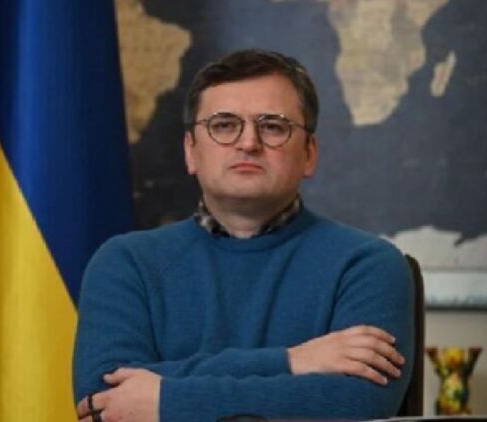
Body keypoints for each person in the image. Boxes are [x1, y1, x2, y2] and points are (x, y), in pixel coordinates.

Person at [73, 49, 414, 422]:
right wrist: (292, 361)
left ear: (309, 153)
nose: (248, 142)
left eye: (273, 126)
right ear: (191, 151)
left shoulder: (367, 264)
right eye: (223, 125)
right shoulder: (126, 263)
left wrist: (166, 400)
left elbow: (358, 404)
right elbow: (104, 402)